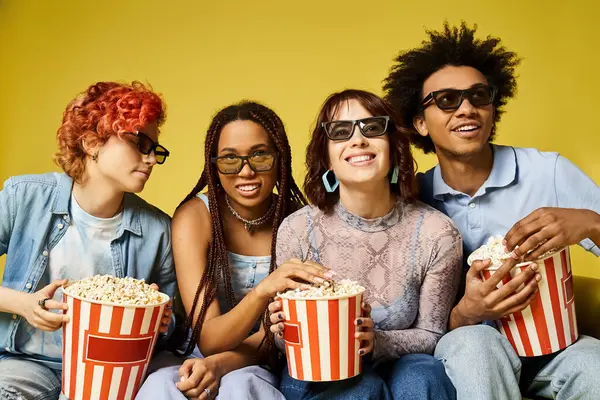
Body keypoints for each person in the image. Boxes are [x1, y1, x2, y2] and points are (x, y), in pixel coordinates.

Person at [383, 22, 600, 399]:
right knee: (477, 347)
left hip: (556, 344)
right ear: (419, 122)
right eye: (447, 100)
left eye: (478, 96)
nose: (467, 109)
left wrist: (589, 223)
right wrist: (465, 313)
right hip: (467, 347)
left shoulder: (547, 172)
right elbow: (409, 316)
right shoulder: (412, 198)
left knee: (595, 366)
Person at [268, 89, 462, 400]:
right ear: (326, 156)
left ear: (393, 147)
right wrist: (280, 331)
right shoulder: (297, 230)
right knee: (361, 389)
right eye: (341, 132)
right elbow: (287, 342)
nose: (358, 140)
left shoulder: (437, 233)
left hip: (405, 366)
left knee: (422, 376)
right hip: (320, 376)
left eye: (372, 128)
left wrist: (377, 341)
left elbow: (432, 333)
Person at [0, 81, 176, 400]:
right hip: (24, 365)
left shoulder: (159, 230)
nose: (150, 160)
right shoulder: (23, 197)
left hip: (112, 372)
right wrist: (23, 304)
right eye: (139, 143)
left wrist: (161, 316)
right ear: (92, 142)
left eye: (155, 150)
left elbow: (176, 327)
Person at [137, 101, 321, 400]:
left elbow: (279, 337)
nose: (245, 171)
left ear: (279, 158)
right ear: (214, 165)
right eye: (229, 159)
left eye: (260, 155)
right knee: (161, 386)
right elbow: (209, 339)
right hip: (196, 352)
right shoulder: (195, 217)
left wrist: (222, 364)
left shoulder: (299, 222)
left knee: (241, 388)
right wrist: (264, 291)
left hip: (265, 358)